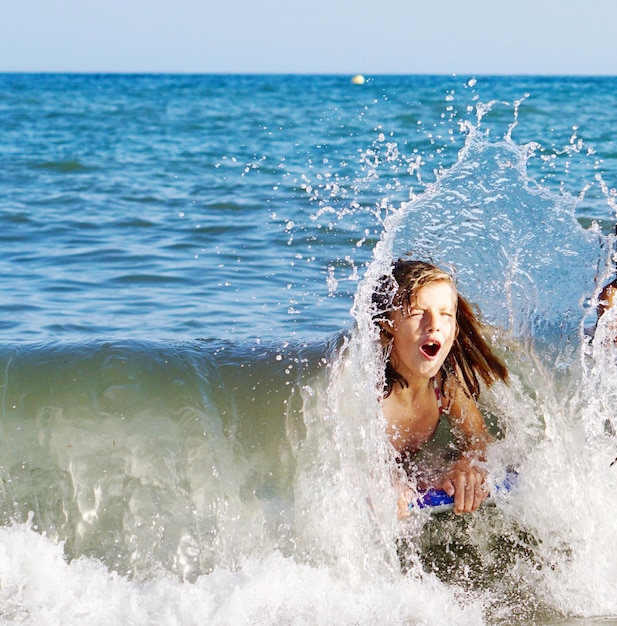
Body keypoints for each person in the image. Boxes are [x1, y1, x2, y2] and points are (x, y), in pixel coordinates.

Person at [372, 259, 509, 515]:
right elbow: (345, 458)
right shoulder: (371, 393)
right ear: (385, 328)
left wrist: (467, 465)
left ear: (455, 329)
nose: (434, 324)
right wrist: (382, 480)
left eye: (445, 314)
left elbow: (478, 438)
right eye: (416, 313)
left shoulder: (443, 385)